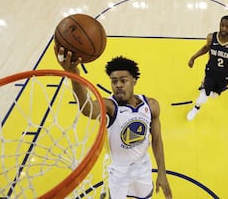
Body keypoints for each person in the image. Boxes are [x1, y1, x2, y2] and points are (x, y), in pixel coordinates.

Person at [55, 46, 172, 199]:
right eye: (114, 81)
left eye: (123, 80)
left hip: (142, 165)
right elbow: (87, 108)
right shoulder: (110, 107)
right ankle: (107, 189)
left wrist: (162, 172)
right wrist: (74, 74)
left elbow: (156, 140)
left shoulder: (151, 105)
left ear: (134, 81)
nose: (118, 85)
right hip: (117, 169)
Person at [186, 15, 228, 121]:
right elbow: (205, 48)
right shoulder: (211, 37)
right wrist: (193, 58)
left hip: (225, 75)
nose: (224, 29)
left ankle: (212, 89)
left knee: (215, 94)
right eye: (222, 25)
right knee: (203, 97)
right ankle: (195, 109)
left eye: (227, 26)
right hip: (211, 71)